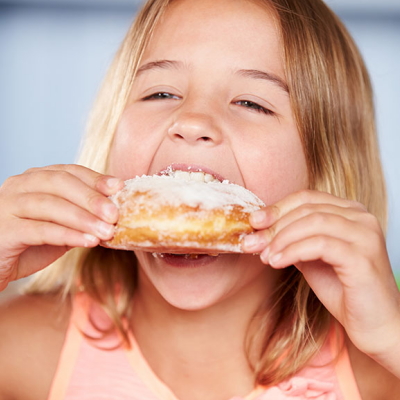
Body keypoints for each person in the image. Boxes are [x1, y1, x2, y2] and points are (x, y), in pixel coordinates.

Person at [0, 0, 399, 399]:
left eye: (251, 103)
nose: (192, 122)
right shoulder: (24, 351)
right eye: (161, 93)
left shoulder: (379, 375)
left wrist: (390, 335)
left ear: (324, 166)